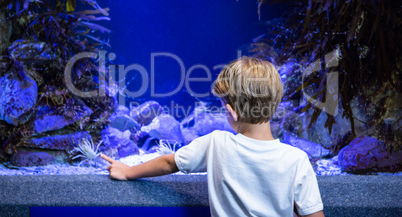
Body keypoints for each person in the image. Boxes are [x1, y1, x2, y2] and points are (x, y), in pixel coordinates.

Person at [101, 56, 324, 217]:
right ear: (274, 106)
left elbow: (170, 162)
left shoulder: (217, 143)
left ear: (230, 111)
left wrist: (128, 171)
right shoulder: (297, 159)